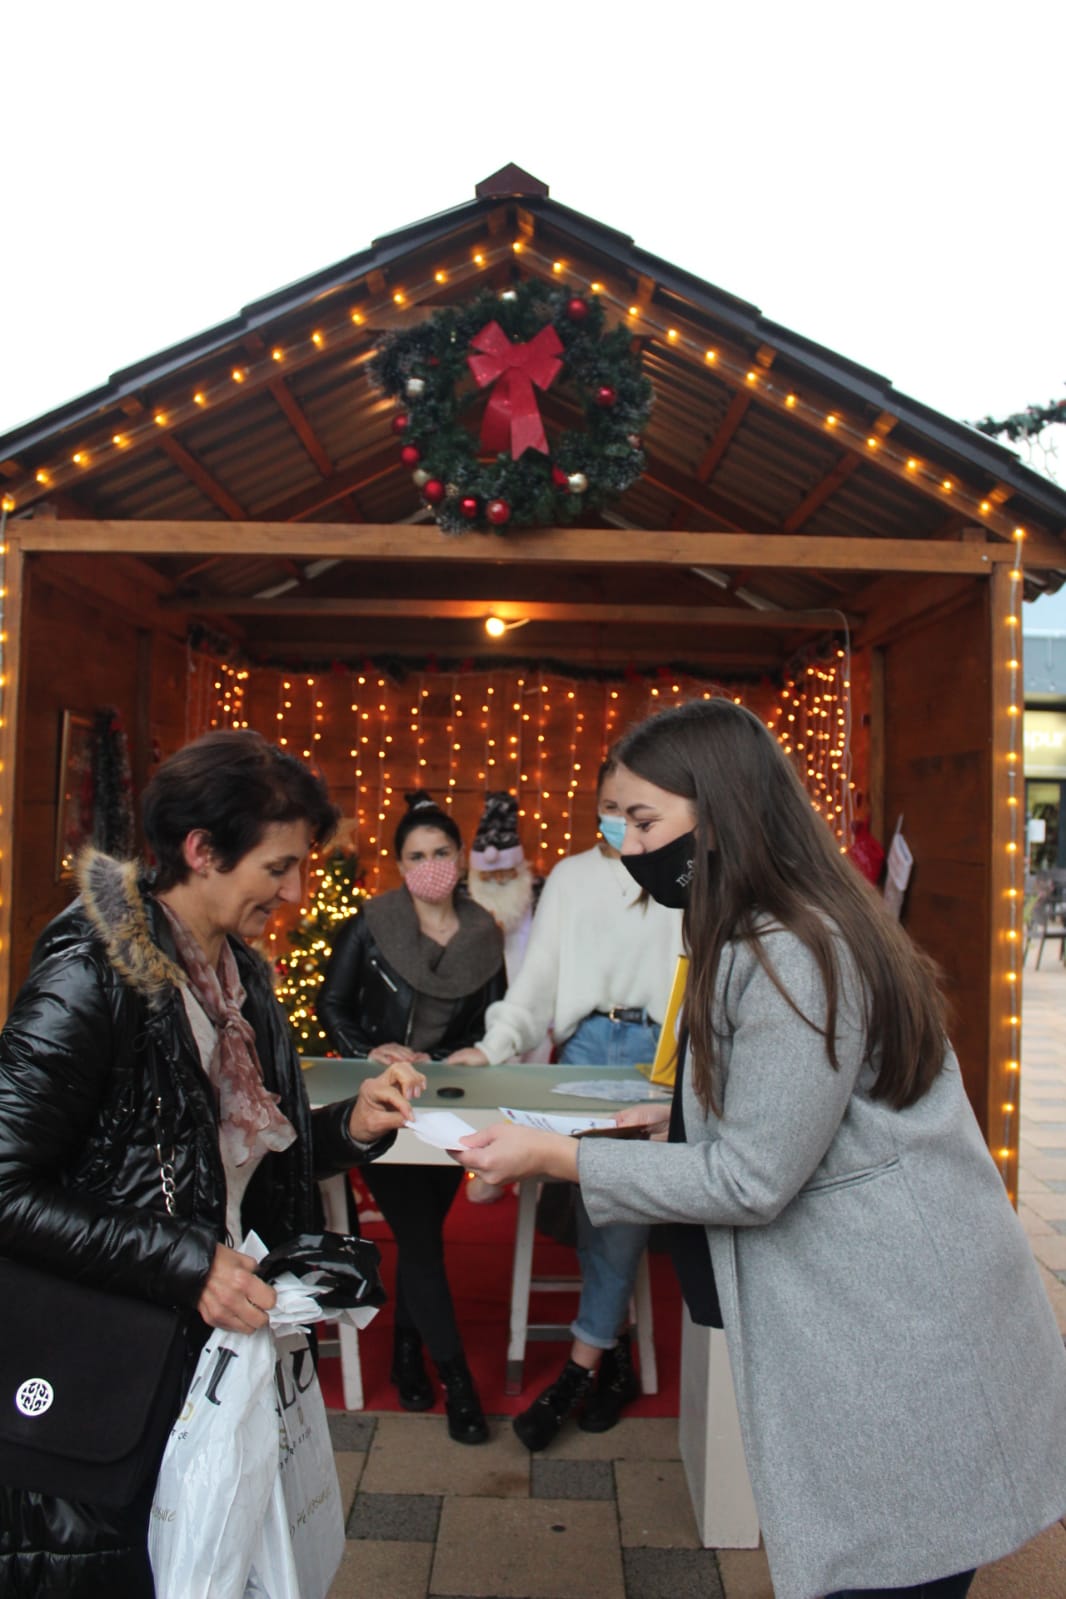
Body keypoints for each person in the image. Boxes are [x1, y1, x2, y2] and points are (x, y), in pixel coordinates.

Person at [455, 698, 1066, 1599]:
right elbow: (795, 1112)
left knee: (891, 1569)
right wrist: (678, 1127)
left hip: (904, 1330)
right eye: (615, 820)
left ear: (722, 809)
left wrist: (556, 1157)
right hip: (881, 1316)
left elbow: (753, 1176)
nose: (626, 844)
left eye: (645, 819)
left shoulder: (792, 948)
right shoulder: (775, 921)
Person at [0, 729, 424, 1598]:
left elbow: (226, 1152)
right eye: (278, 867)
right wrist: (187, 1261)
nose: (298, 891)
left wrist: (351, 1125)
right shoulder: (90, 975)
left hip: (198, 1344)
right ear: (201, 851)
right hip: (107, 1365)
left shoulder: (239, 976)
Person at [448, 760, 683, 1448]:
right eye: (607, 804)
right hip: (583, 1049)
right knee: (599, 1194)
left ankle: (583, 1364)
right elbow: (534, 987)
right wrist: (490, 1050)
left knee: (618, 1194)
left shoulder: (677, 875)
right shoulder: (574, 879)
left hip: (657, 1055)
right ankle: (605, 1355)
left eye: (632, 806)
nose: (618, 818)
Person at [317, 790, 506, 1443]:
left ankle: (405, 1353)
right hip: (384, 1097)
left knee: (423, 1230)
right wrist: (367, 1049)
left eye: (440, 852)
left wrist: (453, 1054)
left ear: (459, 857)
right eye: (416, 854)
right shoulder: (372, 922)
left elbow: (494, 1023)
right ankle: (458, 1382)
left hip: (450, 1097)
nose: (430, 864)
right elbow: (330, 1002)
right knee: (422, 1239)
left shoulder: (485, 931)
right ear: (399, 864)